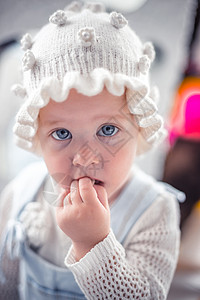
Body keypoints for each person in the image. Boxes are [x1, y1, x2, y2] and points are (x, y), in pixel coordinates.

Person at [0, 1, 180, 299]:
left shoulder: (155, 210)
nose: (85, 157)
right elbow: (6, 281)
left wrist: (92, 244)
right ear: (37, 137)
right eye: (61, 133)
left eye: (107, 130)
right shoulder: (22, 192)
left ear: (139, 127)